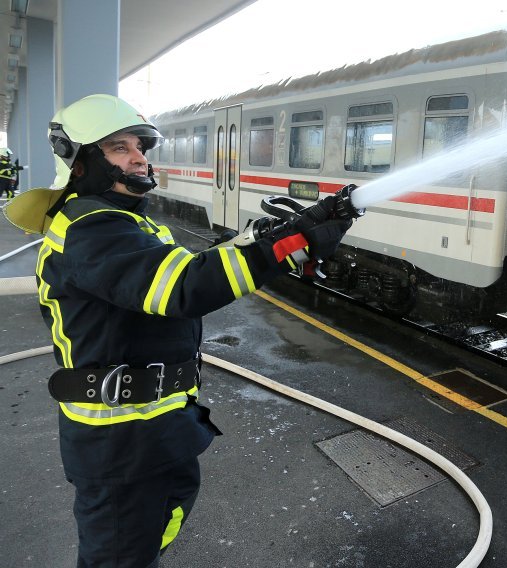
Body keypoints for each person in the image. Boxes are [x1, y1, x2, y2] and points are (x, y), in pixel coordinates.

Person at [36, 94, 352, 567]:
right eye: (119, 148)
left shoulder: (123, 222)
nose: (139, 157)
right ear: (80, 163)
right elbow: (184, 287)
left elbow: (183, 267)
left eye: (140, 146)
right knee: (120, 555)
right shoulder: (91, 227)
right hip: (120, 443)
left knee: (151, 536)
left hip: (156, 428)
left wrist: (273, 237)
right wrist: (289, 244)